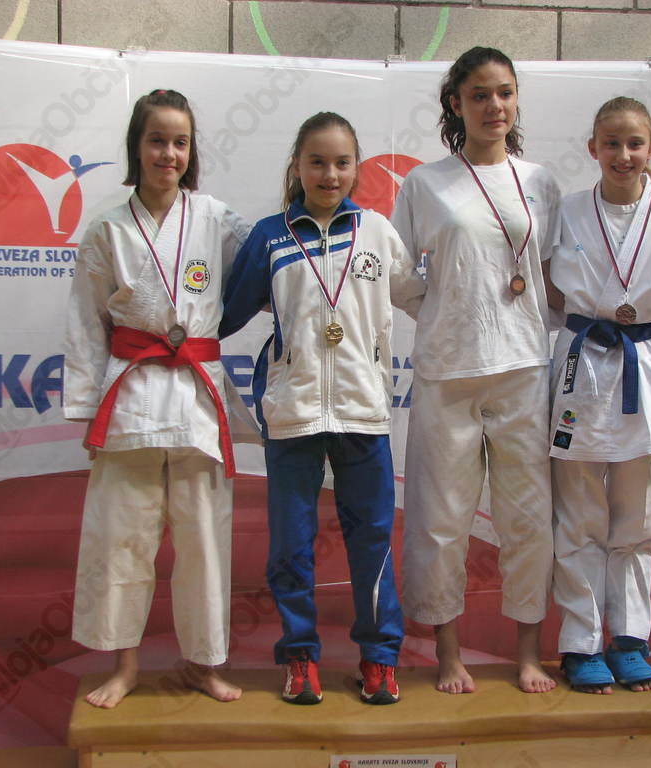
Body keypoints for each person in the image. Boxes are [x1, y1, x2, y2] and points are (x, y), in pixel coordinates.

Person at [220, 112, 425, 705]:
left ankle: (380, 659)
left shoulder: (378, 232)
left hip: (364, 411)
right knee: (291, 544)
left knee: (373, 540)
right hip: (292, 412)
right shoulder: (270, 236)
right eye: (317, 161)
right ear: (297, 166)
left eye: (341, 162)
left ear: (357, 168)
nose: (330, 174)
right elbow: (223, 313)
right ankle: (300, 657)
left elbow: (422, 299)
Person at [63, 88, 254, 709]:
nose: (168, 153)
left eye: (180, 142)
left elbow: (263, 270)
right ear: (136, 146)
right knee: (122, 540)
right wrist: (87, 409)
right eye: (157, 140)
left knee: (204, 543)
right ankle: (124, 666)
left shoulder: (217, 219)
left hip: (196, 399)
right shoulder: (107, 230)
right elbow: (86, 322)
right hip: (132, 398)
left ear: (191, 152)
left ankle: (203, 664)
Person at [390, 46, 560, 695]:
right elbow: (398, 273)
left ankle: (528, 654)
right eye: (480, 94)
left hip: (523, 366)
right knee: (441, 521)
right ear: (455, 103)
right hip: (449, 370)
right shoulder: (425, 183)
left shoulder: (540, 181)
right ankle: (448, 654)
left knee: (528, 519)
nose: (495, 106)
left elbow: (551, 275)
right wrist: (441, 310)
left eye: (505, 93)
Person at [545, 96, 651, 694]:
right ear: (592, 148)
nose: (623, 155)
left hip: (647, 365)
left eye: (634, 143)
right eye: (611, 144)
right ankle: (581, 642)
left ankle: (632, 639)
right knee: (579, 514)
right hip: (582, 366)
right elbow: (546, 293)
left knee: (639, 518)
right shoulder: (568, 210)